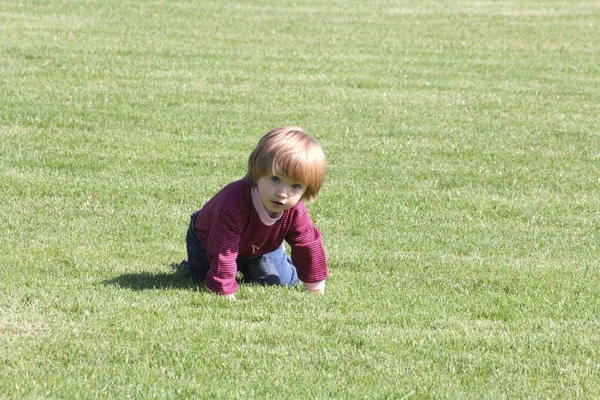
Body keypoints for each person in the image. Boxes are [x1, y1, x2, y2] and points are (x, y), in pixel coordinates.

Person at [182, 126, 328, 299]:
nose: (282, 193)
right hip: (209, 240)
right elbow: (223, 249)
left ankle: (254, 261)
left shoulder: (295, 211)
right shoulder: (234, 203)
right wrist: (224, 292)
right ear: (257, 172)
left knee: (279, 281)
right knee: (204, 274)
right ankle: (196, 264)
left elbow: (308, 245)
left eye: (295, 186)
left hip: (258, 245)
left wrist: (316, 286)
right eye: (275, 179)